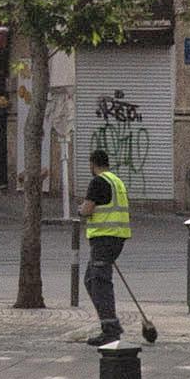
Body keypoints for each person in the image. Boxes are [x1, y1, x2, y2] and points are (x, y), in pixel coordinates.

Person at [79, 145, 134, 342]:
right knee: (91, 280)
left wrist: (80, 210)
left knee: (100, 282)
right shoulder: (117, 181)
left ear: (92, 164)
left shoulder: (98, 182)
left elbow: (87, 209)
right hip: (116, 237)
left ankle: (110, 329)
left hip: (104, 238)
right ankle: (109, 323)